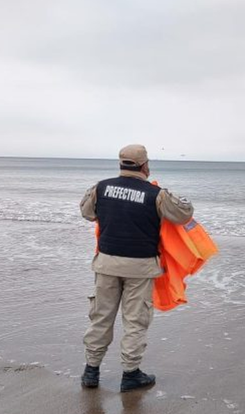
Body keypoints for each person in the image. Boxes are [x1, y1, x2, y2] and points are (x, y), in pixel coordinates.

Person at [79, 144, 194, 392]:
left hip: (107, 263)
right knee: (135, 322)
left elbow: (87, 213)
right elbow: (184, 215)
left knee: (100, 317)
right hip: (140, 268)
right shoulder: (156, 194)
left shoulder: (101, 187)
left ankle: (91, 372)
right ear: (145, 165)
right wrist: (177, 197)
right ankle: (130, 375)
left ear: (121, 164)